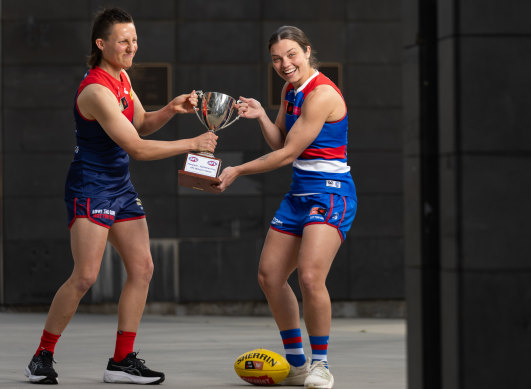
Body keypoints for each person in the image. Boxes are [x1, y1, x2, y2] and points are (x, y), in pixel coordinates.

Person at [24, 8, 217, 385]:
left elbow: (141, 123)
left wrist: (170, 109)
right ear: (102, 43)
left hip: (120, 187)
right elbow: (138, 148)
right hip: (90, 186)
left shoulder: (122, 78)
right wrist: (192, 143)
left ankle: (122, 360)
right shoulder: (95, 90)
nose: (132, 47)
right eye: (124, 41)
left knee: (143, 268)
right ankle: (41, 356)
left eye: (135, 40)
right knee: (84, 276)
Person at [214, 25, 357, 389]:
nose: (284, 63)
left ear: (307, 51)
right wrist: (262, 114)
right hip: (299, 193)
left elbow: (288, 153)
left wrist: (238, 170)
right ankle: (296, 364)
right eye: (277, 58)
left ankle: (321, 364)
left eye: (291, 54)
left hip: (330, 194)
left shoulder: (321, 93)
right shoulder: (290, 90)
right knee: (270, 276)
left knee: (310, 277)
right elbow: (281, 139)